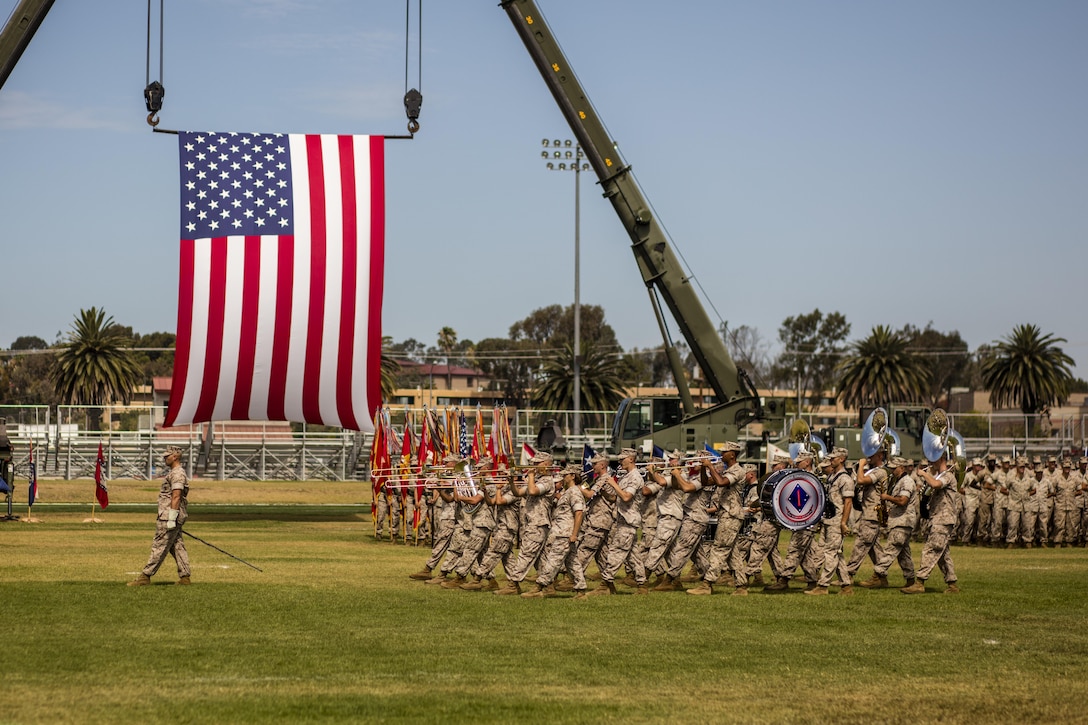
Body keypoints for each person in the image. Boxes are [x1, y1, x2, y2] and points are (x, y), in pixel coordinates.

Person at [128, 446, 191, 586]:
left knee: (160, 545)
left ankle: (145, 576)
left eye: (167, 455)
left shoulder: (177, 474)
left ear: (175, 456)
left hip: (169, 515)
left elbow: (176, 495)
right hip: (170, 515)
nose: (164, 458)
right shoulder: (174, 473)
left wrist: (172, 517)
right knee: (177, 546)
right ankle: (185, 576)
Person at [522, 465, 587, 599]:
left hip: (565, 533)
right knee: (572, 563)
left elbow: (579, 513)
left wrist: (574, 534)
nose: (563, 477)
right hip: (563, 532)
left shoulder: (574, 491)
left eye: (565, 475)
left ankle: (539, 587)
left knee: (552, 561)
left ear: (573, 476)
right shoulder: (568, 492)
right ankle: (581, 591)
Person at [902, 453, 959, 594]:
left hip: (943, 519)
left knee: (931, 549)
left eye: (933, 459)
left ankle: (920, 582)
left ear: (941, 459)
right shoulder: (939, 475)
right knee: (942, 554)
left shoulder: (948, 476)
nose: (930, 462)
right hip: (937, 518)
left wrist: (923, 474)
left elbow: (935, 484)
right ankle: (952, 585)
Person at [860, 456, 917, 588]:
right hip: (898, 521)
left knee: (890, 550)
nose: (891, 471)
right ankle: (910, 580)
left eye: (894, 468)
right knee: (904, 554)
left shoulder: (907, 482)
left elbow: (903, 500)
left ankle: (878, 575)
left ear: (901, 468)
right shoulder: (898, 481)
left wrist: (887, 497)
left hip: (902, 522)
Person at [806, 447, 854, 596]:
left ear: (841, 459)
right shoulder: (833, 477)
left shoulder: (845, 479)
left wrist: (843, 523)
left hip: (837, 521)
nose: (831, 460)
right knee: (837, 554)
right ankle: (846, 587)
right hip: (829, 520)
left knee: (830, 553)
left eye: (833, 458)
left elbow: (848, 503)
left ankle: (823, 586)